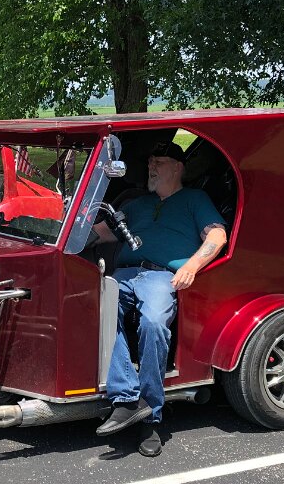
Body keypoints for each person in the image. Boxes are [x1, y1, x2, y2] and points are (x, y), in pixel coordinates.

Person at [93, 140, 228, 456]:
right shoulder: (138, 204)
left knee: (153, 323)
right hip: (125, 273)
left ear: (178, 167)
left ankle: (150, 416)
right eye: (150, 161)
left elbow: (217, 235)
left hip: (162, 276)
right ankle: (127, 399)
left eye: (160, 162)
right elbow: (100, 232)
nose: (151, 166)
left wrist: (191, 266)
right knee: (97, 309)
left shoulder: (194, 199)